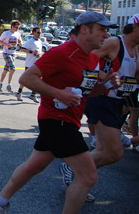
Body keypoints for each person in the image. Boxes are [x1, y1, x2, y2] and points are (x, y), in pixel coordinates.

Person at [0, 11, 118, 214]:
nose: (106, 35)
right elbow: (26, 79)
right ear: (85, 29)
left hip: (70, 120)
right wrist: (59, 94)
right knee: (88, 176)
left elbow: (88, 93)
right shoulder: (62, 53)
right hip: (57, 120)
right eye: (101, 30)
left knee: (34, 166)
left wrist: (108, 84)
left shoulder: (92, 59)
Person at [58, 13, 139, 196]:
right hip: (101, 99)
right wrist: (107, 78)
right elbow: (87, 60)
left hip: (117, 102)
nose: (104, 33)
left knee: (102, 150)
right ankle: (74, 170)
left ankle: (80, 183)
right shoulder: (116, 43)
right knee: (114, 152)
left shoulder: (136, 49)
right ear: (135, 27)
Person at [17, 27, 43, 102]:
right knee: (26, 80)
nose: (39, 34)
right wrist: (32, 52)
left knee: (38, 80)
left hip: (37, 64)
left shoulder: (40, 41)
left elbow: (39, 52)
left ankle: (33, 95)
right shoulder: (30, 41)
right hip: (30, 64)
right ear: (33, 33)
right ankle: (19, 93)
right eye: (38, 32)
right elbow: (22, 49)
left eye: (40, 33)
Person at [0, 20, 23, 93]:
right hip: (6, 53)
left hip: (13, 53)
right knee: (13, 68)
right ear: (12, 26)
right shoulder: (6, 33)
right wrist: (6, 44)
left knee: (6, 69)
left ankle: (0, 83)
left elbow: (20, 42)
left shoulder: (18, 34)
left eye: (18, 27)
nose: (17, 28)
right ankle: (9, 85)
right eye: (16, 27)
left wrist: (20, 43)